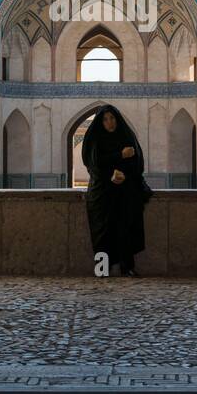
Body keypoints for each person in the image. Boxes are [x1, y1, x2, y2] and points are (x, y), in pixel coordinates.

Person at [80, 104, 152, 277]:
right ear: (100, 122)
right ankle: (102, 269)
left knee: (125, 229)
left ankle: (127, 268)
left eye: (112, 118)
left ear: (117, 120)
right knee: (102, 233)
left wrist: (124, 175)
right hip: (101, 193)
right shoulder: (95, 139)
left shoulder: (126, 136)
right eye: (105, 119)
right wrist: (116, 162)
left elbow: (137, 163)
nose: (110, 123)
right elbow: (94, 164)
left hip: (124, 192)